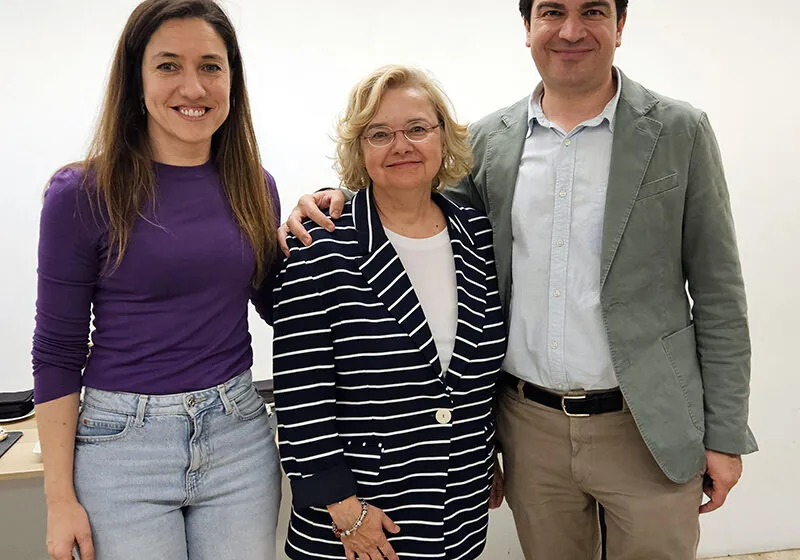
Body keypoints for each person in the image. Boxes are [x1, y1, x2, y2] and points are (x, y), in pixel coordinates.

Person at [280, 1, 757, 559]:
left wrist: (725, 436)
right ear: (527, 28)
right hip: (530, 429)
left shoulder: (680, 131)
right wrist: (328, 199)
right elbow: (404, 207)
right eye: (552, 11)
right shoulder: (489, 142)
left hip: (646, 424)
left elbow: (720, 294)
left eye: (593, 11)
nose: (571, 30)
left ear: (620, 25)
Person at [31, 1, 282, 559]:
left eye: (211, 66)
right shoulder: (80, 194)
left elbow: (277, 304)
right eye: (168, 65)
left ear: (232, 80)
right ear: (135, 79)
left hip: (238, 433)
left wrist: (327, 218)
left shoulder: (254, 186)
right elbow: (56, 350)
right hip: (122, 448)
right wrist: (58, 499)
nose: (193, 86)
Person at [272, 65, 507, 560]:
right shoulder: (319, 246)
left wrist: (486, 459)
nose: (401, 145)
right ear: (359, 149)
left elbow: (478, 380)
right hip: (361, 523)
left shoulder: (478, 236)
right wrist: (345, 510)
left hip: (457, 511)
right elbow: (301, 396)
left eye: (417, 129)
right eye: (380, 134)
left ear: (443, 138)